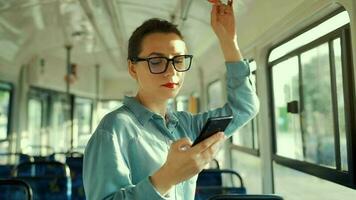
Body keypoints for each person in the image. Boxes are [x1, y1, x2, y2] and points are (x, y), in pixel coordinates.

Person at [83, 0, 259, 199]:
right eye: (156, 62)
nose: (171, 71)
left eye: (178, 60)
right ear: (133, 68)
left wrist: (228, 40)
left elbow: (244, 107)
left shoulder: (186, 126)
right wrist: (166, 178)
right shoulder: (114, 129)